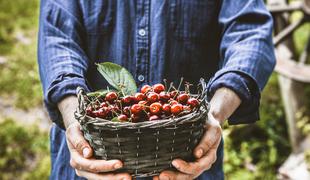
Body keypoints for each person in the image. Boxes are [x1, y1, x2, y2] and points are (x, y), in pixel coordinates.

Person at [38, 0, 275, 179]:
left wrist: (215, 112)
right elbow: (57, 39)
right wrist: (74, 121)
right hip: (90, 157)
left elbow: (250, 33)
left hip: (188, 157)